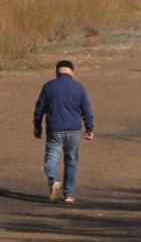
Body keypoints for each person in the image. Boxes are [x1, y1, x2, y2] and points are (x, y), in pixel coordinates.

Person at [33, 60, 94, 204]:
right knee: (71, 161)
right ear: (72, 71)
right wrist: (89, 128)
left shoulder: (48, 87)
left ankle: (53, 180)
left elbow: (39, 108)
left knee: (51, 159)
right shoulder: (78, 88)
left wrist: (37, 126)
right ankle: (69, 195)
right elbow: (86, 109)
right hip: (73, 130)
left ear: (57, 71)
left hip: (54, 130)